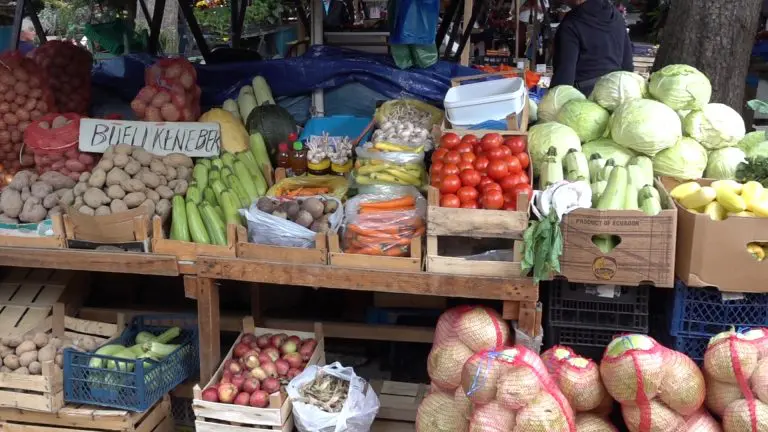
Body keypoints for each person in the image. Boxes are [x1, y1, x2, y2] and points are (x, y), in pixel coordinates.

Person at [551, 0, 633, 96]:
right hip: (616, 91)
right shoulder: (616, 15)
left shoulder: (572, 22)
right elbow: (627, 64)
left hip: (584, 95)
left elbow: (564, 76)